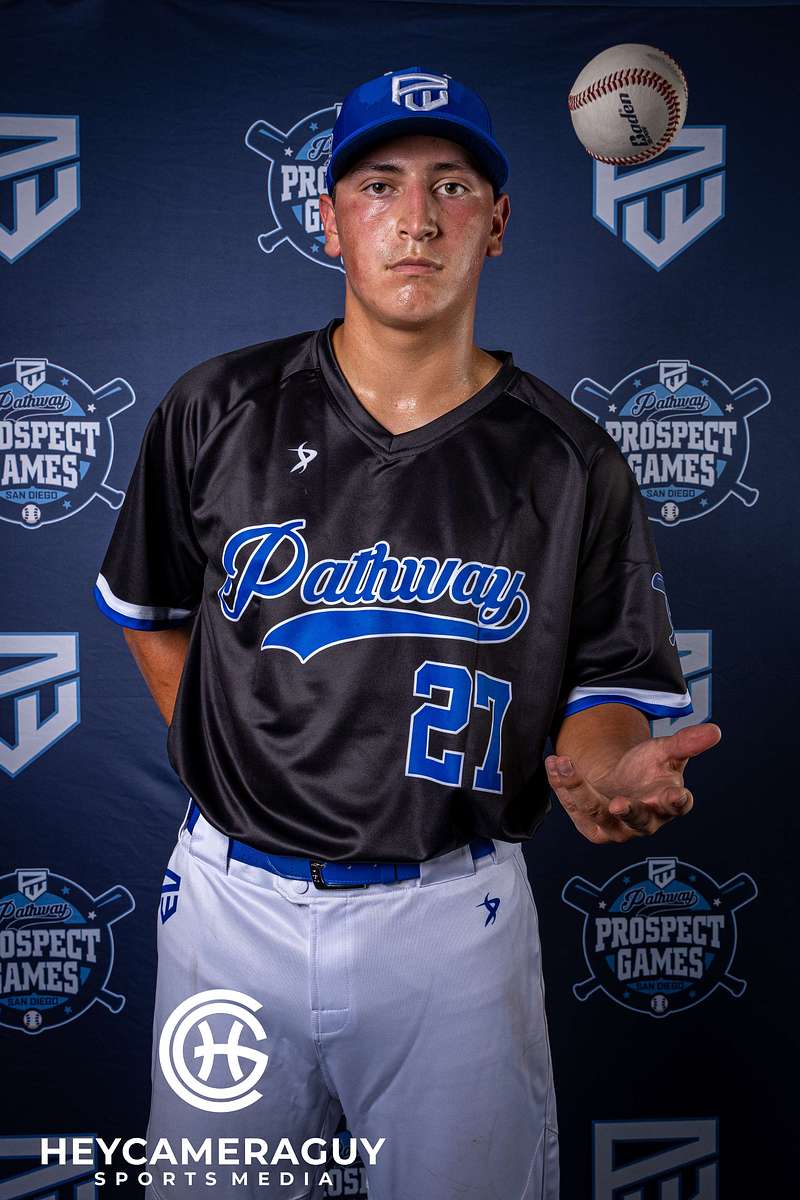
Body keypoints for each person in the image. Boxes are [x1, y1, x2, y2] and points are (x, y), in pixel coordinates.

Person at [93, 66, 721, 1200]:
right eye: (378, 185)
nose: (417, 218)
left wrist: (604, 765)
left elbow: (607, 688)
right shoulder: (216, 408)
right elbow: (152, 613)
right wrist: (235, 760)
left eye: (452, 186)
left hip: (451, 915)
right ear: (329, 220)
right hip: (231, 910)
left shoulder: (569, 459)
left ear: (498, 222)